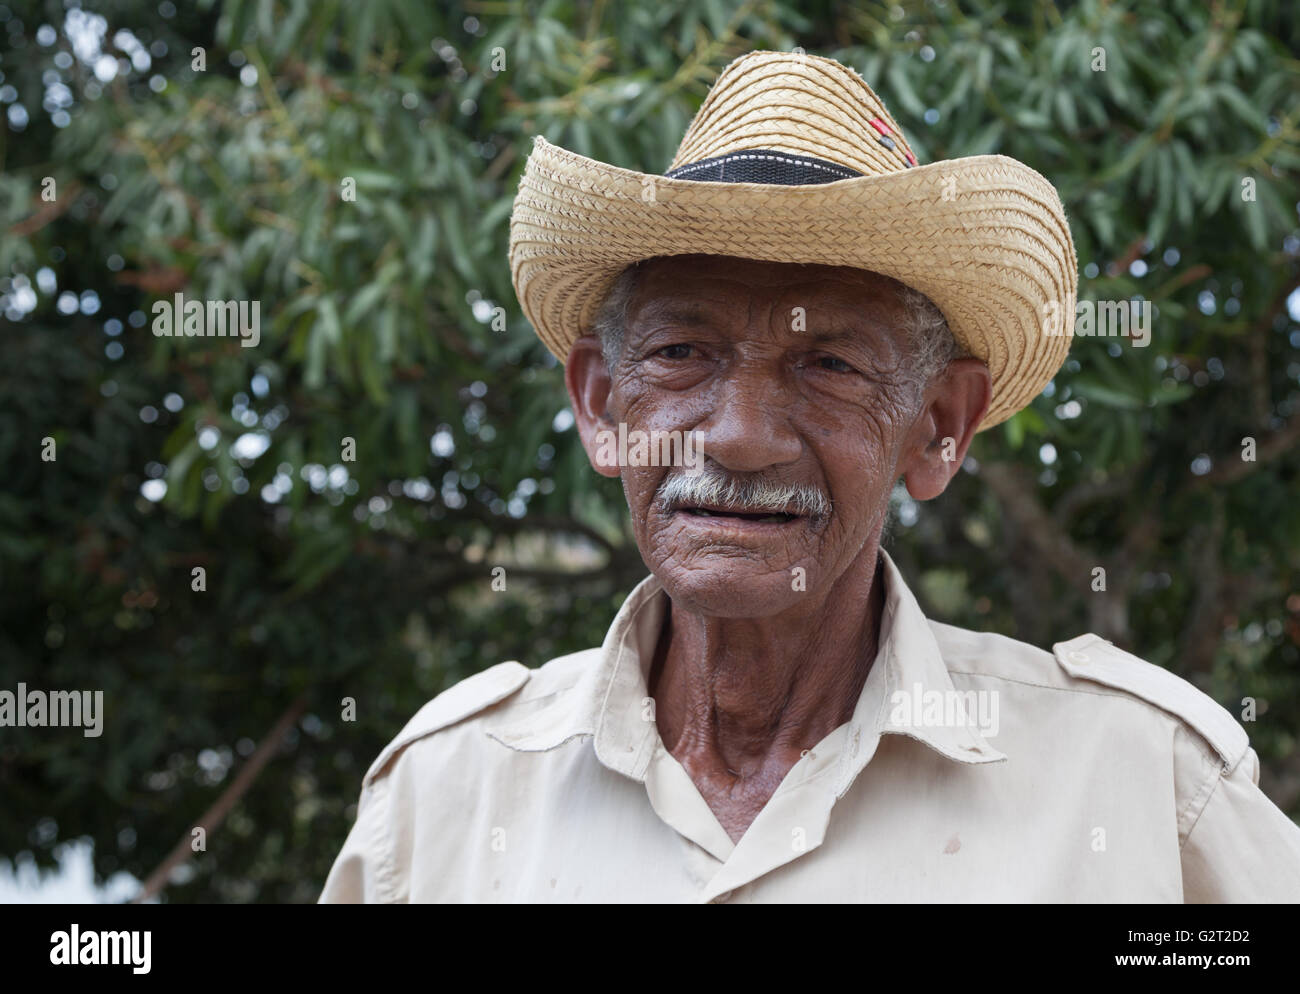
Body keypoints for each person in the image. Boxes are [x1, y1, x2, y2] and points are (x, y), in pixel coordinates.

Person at [319, 50, 1300, 903]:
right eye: (680, 353)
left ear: (938, 428)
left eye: (829, 365)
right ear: (598, 404)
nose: (740, 435)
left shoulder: (1138, 785)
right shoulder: (443, 795)